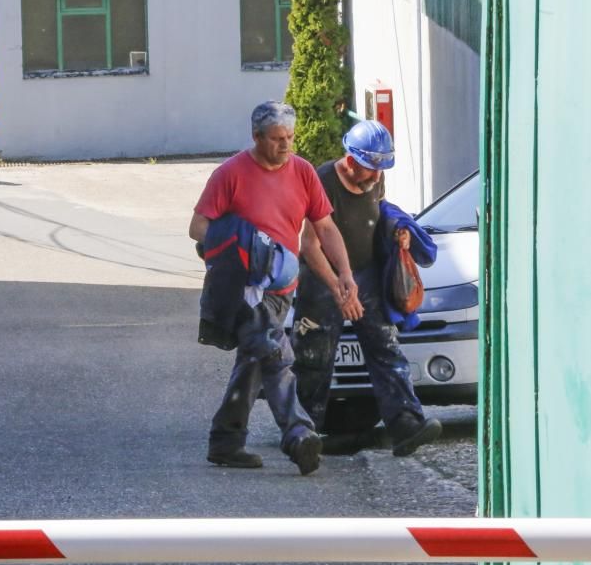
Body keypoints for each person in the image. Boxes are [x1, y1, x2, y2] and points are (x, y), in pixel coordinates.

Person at [190, 101, 357, 476]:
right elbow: (198, 227)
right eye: (277, 139)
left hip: (284, 289)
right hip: (245, 289)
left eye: (290, 138)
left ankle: (225, 441)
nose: (286, 146)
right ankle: (298, 435)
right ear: (256, 137)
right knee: (274, 353)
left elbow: (325, 229)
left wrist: (344, 273)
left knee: (254, 361)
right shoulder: (229, 174)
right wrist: (241, 243)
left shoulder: (302, 173)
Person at [291, 120, 443, 457]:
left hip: (368, 274)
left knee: (385, 347)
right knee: (313, 357)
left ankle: (406, 424)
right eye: (371, 170)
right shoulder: (322, 180)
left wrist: (399, 232)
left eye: (381, 170)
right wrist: (338, 288)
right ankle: (304, 434)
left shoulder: (376, 177)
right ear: (351, 160)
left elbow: (378, 211)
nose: (376, 177)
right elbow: (310, 244)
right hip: (323, 280)